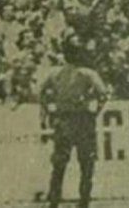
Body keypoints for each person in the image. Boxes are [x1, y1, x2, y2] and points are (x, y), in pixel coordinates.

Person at [39, 37, 108, 208]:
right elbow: (104, 94)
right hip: (82, 119)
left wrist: (50, 109)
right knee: (86, 162)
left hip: (64, 120)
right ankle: (83, 201)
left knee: (60, 163)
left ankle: (55, 200)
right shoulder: (87, 73)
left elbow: (41, 93)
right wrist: (94, 111)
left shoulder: (55, 74)